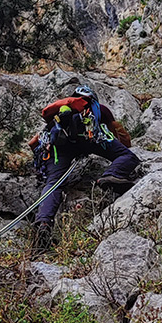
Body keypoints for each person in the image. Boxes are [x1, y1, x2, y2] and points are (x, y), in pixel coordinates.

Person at [29, 85, 139, 252]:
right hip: (91, 139)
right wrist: (125, 147)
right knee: (129, 157)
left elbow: (38, 140)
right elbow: (119, 133)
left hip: (60, 146)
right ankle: (111, 175)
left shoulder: (60, 114)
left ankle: (43, 223)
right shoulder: (99, 109)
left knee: (54, 183)